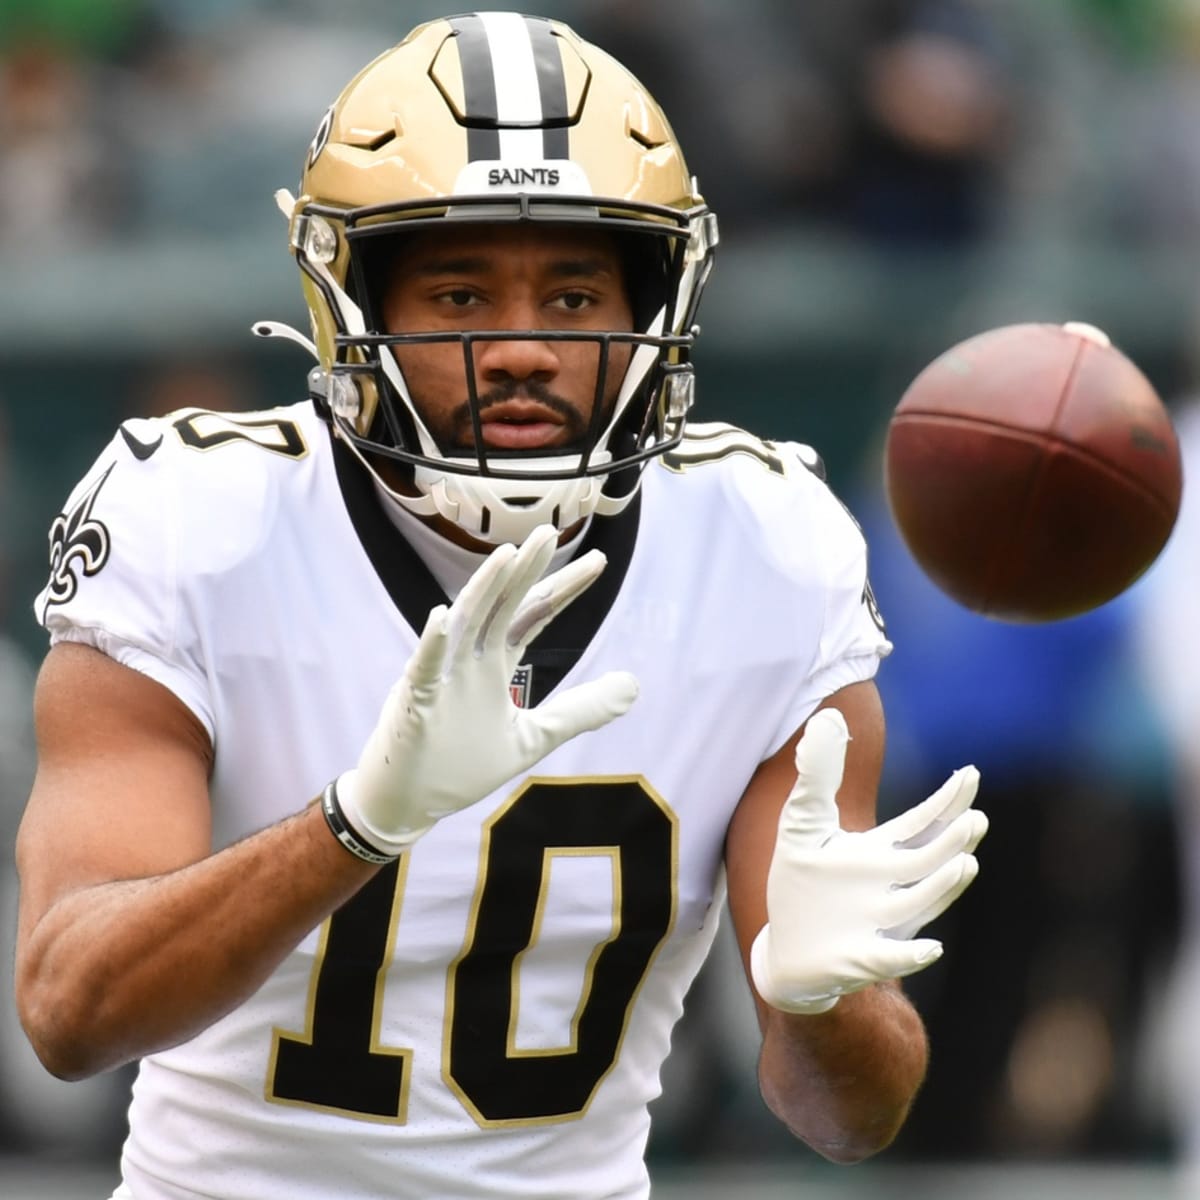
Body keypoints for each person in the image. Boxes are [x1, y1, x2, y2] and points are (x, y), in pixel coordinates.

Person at [13, 13, 987, 1199]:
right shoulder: (204, 518)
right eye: (462, 296)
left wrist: (823, 1000)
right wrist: (357, 823)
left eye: (575, 299)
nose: (521, 348)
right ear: (353, 305)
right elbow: (70, 1009)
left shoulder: (767, 542)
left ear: (654, 311)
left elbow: (851, 1120)